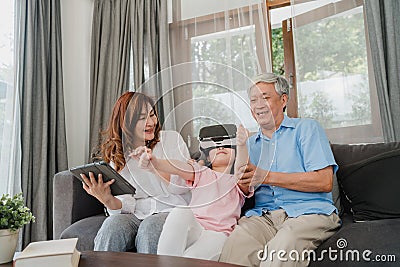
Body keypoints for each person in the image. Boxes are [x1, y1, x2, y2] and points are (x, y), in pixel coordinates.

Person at [219, 73, 341, 267]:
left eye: (265, 97)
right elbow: (243, 191)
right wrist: (242, 182)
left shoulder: (306, 129)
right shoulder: (250, 144)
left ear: (283, 99)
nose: (258, 105)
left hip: (309, 213)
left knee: (280, 250)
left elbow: (324, 181)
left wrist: (267, 176)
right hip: (264, 217)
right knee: (236, 244)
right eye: (253, 100)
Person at [80, 91, 190, 253]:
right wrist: (107, 199)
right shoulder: (118, 155)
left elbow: (184, 186)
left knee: (150, 228)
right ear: (125, 123)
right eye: (142, 118)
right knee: (112, 226)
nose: (151, 122)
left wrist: (156, 167)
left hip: (171, 208)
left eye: (152, 115)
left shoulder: (171, 140)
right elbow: (126, 203)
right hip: (136, 212)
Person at [132, 124, 253, 261]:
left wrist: (242, 145)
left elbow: (242, 169)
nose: (220, 147)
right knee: (180, 211)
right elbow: (179, 167)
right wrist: (155, 163)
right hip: (195, 226)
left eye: (227, 146)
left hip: (218, 234)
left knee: (190, 259)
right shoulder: (201, 173)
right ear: (207, 158)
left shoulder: (236, 181)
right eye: (214, 147)